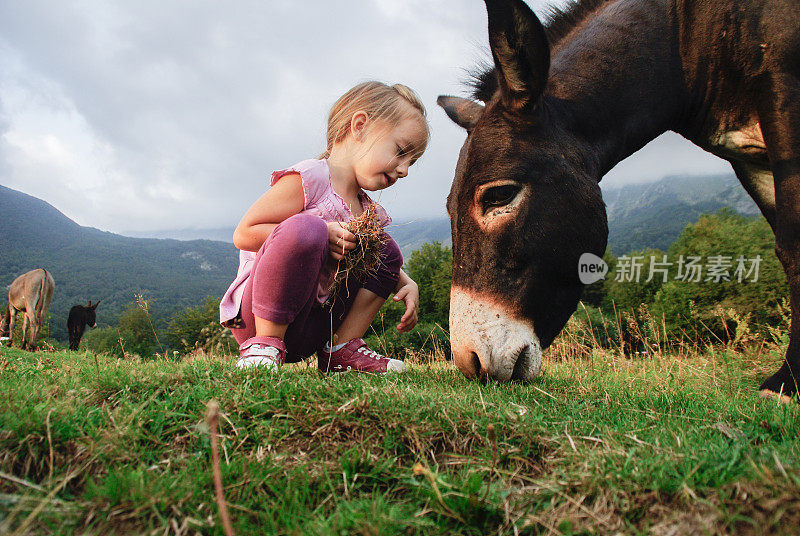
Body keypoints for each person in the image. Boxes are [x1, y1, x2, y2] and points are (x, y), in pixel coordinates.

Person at [219, 81, 429, 373]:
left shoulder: (368, 210)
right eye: (401, 151)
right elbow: (245, 232)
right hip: (259, 318)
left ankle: (341, 350)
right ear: (360, 125)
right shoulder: (311, 178)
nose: (404, 170)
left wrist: (402, 280)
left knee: (386, 249)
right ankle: (264, 346)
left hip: (312, 326)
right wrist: (322, 232)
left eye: (412, 162)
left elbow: (372, 258)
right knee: (309, 228)